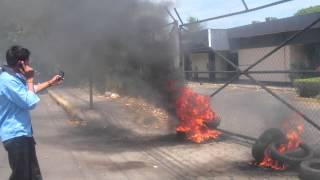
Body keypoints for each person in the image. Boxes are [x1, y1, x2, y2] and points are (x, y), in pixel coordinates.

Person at [0, 45, 63, 180]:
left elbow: (29, 91)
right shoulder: (7, 80)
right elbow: (29, 102)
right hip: (16, 136)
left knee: (33, 176)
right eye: (27, 61)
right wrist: (29, 79)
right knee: (21, 176)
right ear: (21, 63)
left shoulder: (13, 77)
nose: (29, 65)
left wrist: (50, 83)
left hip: (23, 134)